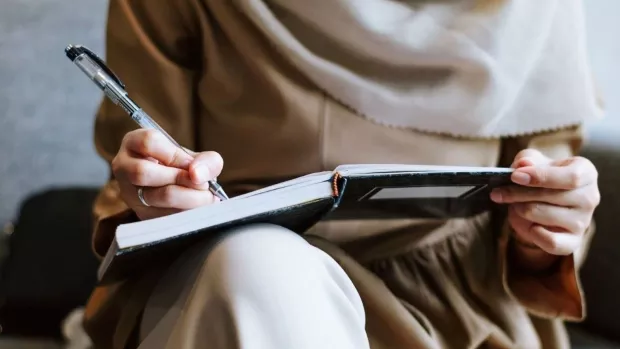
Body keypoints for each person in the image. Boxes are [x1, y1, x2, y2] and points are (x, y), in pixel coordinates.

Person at [81, 0, 604, 348]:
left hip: (451, 314)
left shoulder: (535, 8)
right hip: (228, 283)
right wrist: (160, 198)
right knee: (259, 265)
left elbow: (545, 210)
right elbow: (135, 182)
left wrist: (548, 224)